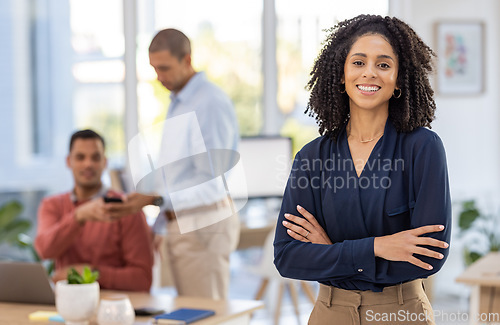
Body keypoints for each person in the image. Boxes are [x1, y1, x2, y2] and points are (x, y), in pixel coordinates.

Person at [273, 15, 451, 325]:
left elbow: (427, 256)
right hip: (330, 312)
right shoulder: (311, 157)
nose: (369, 72)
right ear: (341, 75)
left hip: (400, 312)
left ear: (398, 80)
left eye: (383, 65)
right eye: (358, 62)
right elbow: (288, 257)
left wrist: (332, 254)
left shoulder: (423, 148)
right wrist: (379, 247)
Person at [105, 28, 240, 300]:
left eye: (164, 68)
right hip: (183, 224)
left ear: (187, 60)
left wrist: (155, 199)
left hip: (203, 225)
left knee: (207, 316)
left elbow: (213, 185)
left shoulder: (209, 103)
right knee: (191, 313)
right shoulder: (179, 100)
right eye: (154, 69)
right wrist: (159, 225)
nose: (159, 77)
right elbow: (178, 176)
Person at [35, 129, 154, 292]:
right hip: (68, 305)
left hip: (113, 305)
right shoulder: (52, 205)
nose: (88, 164)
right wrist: (78, 216)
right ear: (68, 161)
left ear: (105, 162)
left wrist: (91, 273)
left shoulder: (126, 208)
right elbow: (44, 250)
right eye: (80, 157)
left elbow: (142, 279)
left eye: (95, 157)